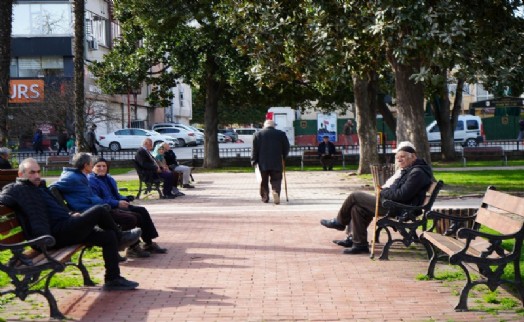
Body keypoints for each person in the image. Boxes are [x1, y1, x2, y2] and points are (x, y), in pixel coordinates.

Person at [0, 158, 141, 290]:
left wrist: (69, 214)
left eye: (38, 171)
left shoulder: (39, 188)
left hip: (65, 226)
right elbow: (5, 196)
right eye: (32, 172)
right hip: (52, 236)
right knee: (99, 210)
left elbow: (54, 210)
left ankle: (113, 279)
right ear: (21, 174)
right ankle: (121, 238)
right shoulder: (19, 189)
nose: (37, 175)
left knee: (108, 236)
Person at [320, 143, 433, 254]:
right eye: (397, 157)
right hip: (394, 205)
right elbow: (395, 189)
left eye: (402, 157)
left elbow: (401, 195)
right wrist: (387, 192)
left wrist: (384, 192)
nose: (399, 160)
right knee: (357, 208)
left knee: (355, 196)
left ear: (413, 157)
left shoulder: (417, 173)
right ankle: (359, 245)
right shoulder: (409, 170)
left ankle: (339, 222)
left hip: (399, 209)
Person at [50, 152, 152, 258]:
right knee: (128, 219)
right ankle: (121, 241)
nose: (93, 165)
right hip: (87, 211)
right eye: (91, 164)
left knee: (133, 215)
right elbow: (51, 188)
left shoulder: (80, 176)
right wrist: (67, 211)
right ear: (86, 165)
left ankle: (124, 242)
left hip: (97, 207)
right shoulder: (72, 177)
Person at [88, 156, 168, 258]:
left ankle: (148, 243)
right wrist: (117, 203)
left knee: (142, 210)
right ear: (92, 168)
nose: (102, 168)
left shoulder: (108, 178)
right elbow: (98, 200)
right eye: (98, 166)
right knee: (134, 217)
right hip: (107, 208)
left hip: (116, 204)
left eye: (104, 166)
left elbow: (116, 194)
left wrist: (125, 198)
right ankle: (132, 247)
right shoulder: (91, 180)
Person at [251, 119, 290, 205]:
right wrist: (284, 156)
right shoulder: (281, 134)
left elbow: (254, 150)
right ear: (274, 126)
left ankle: (265, 197)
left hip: (262, 162)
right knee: (276, 179)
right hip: (276, 161)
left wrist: (253, 160)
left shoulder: (257, 134)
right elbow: (286, 147)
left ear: (264, 126)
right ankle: (276, 192)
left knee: (263, 181)